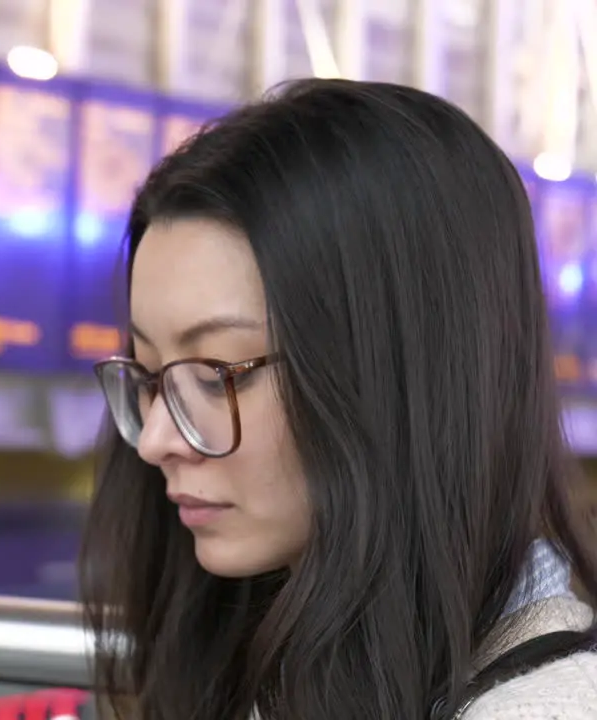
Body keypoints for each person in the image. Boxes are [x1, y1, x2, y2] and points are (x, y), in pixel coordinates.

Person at [79, 78, 597, 720]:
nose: (156, 439)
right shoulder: (294, 667)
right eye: (153, 376)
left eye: (216, 374)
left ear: (400, 372)